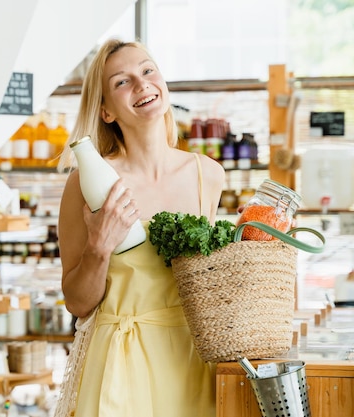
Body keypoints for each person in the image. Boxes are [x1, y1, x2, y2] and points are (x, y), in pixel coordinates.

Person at [55, 38, 225, 417]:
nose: (142, 84)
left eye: (148, 71)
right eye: (122, 82)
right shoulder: (87, 183)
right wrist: (99, 247)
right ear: (105, 112)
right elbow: (78, 303)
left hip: (193, 358)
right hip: (120, 360)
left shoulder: (207, 175)